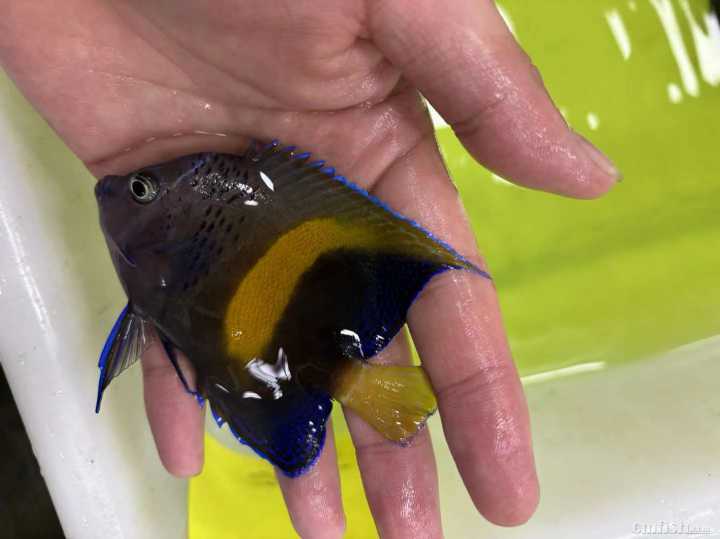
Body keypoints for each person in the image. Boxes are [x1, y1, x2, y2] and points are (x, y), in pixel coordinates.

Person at [0, 1, 619, 537]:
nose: (117, 190)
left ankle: (331, 387)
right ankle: (341, 380)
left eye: (141, 190)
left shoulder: (174, 231)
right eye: (140, 189)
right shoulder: (204, 198)